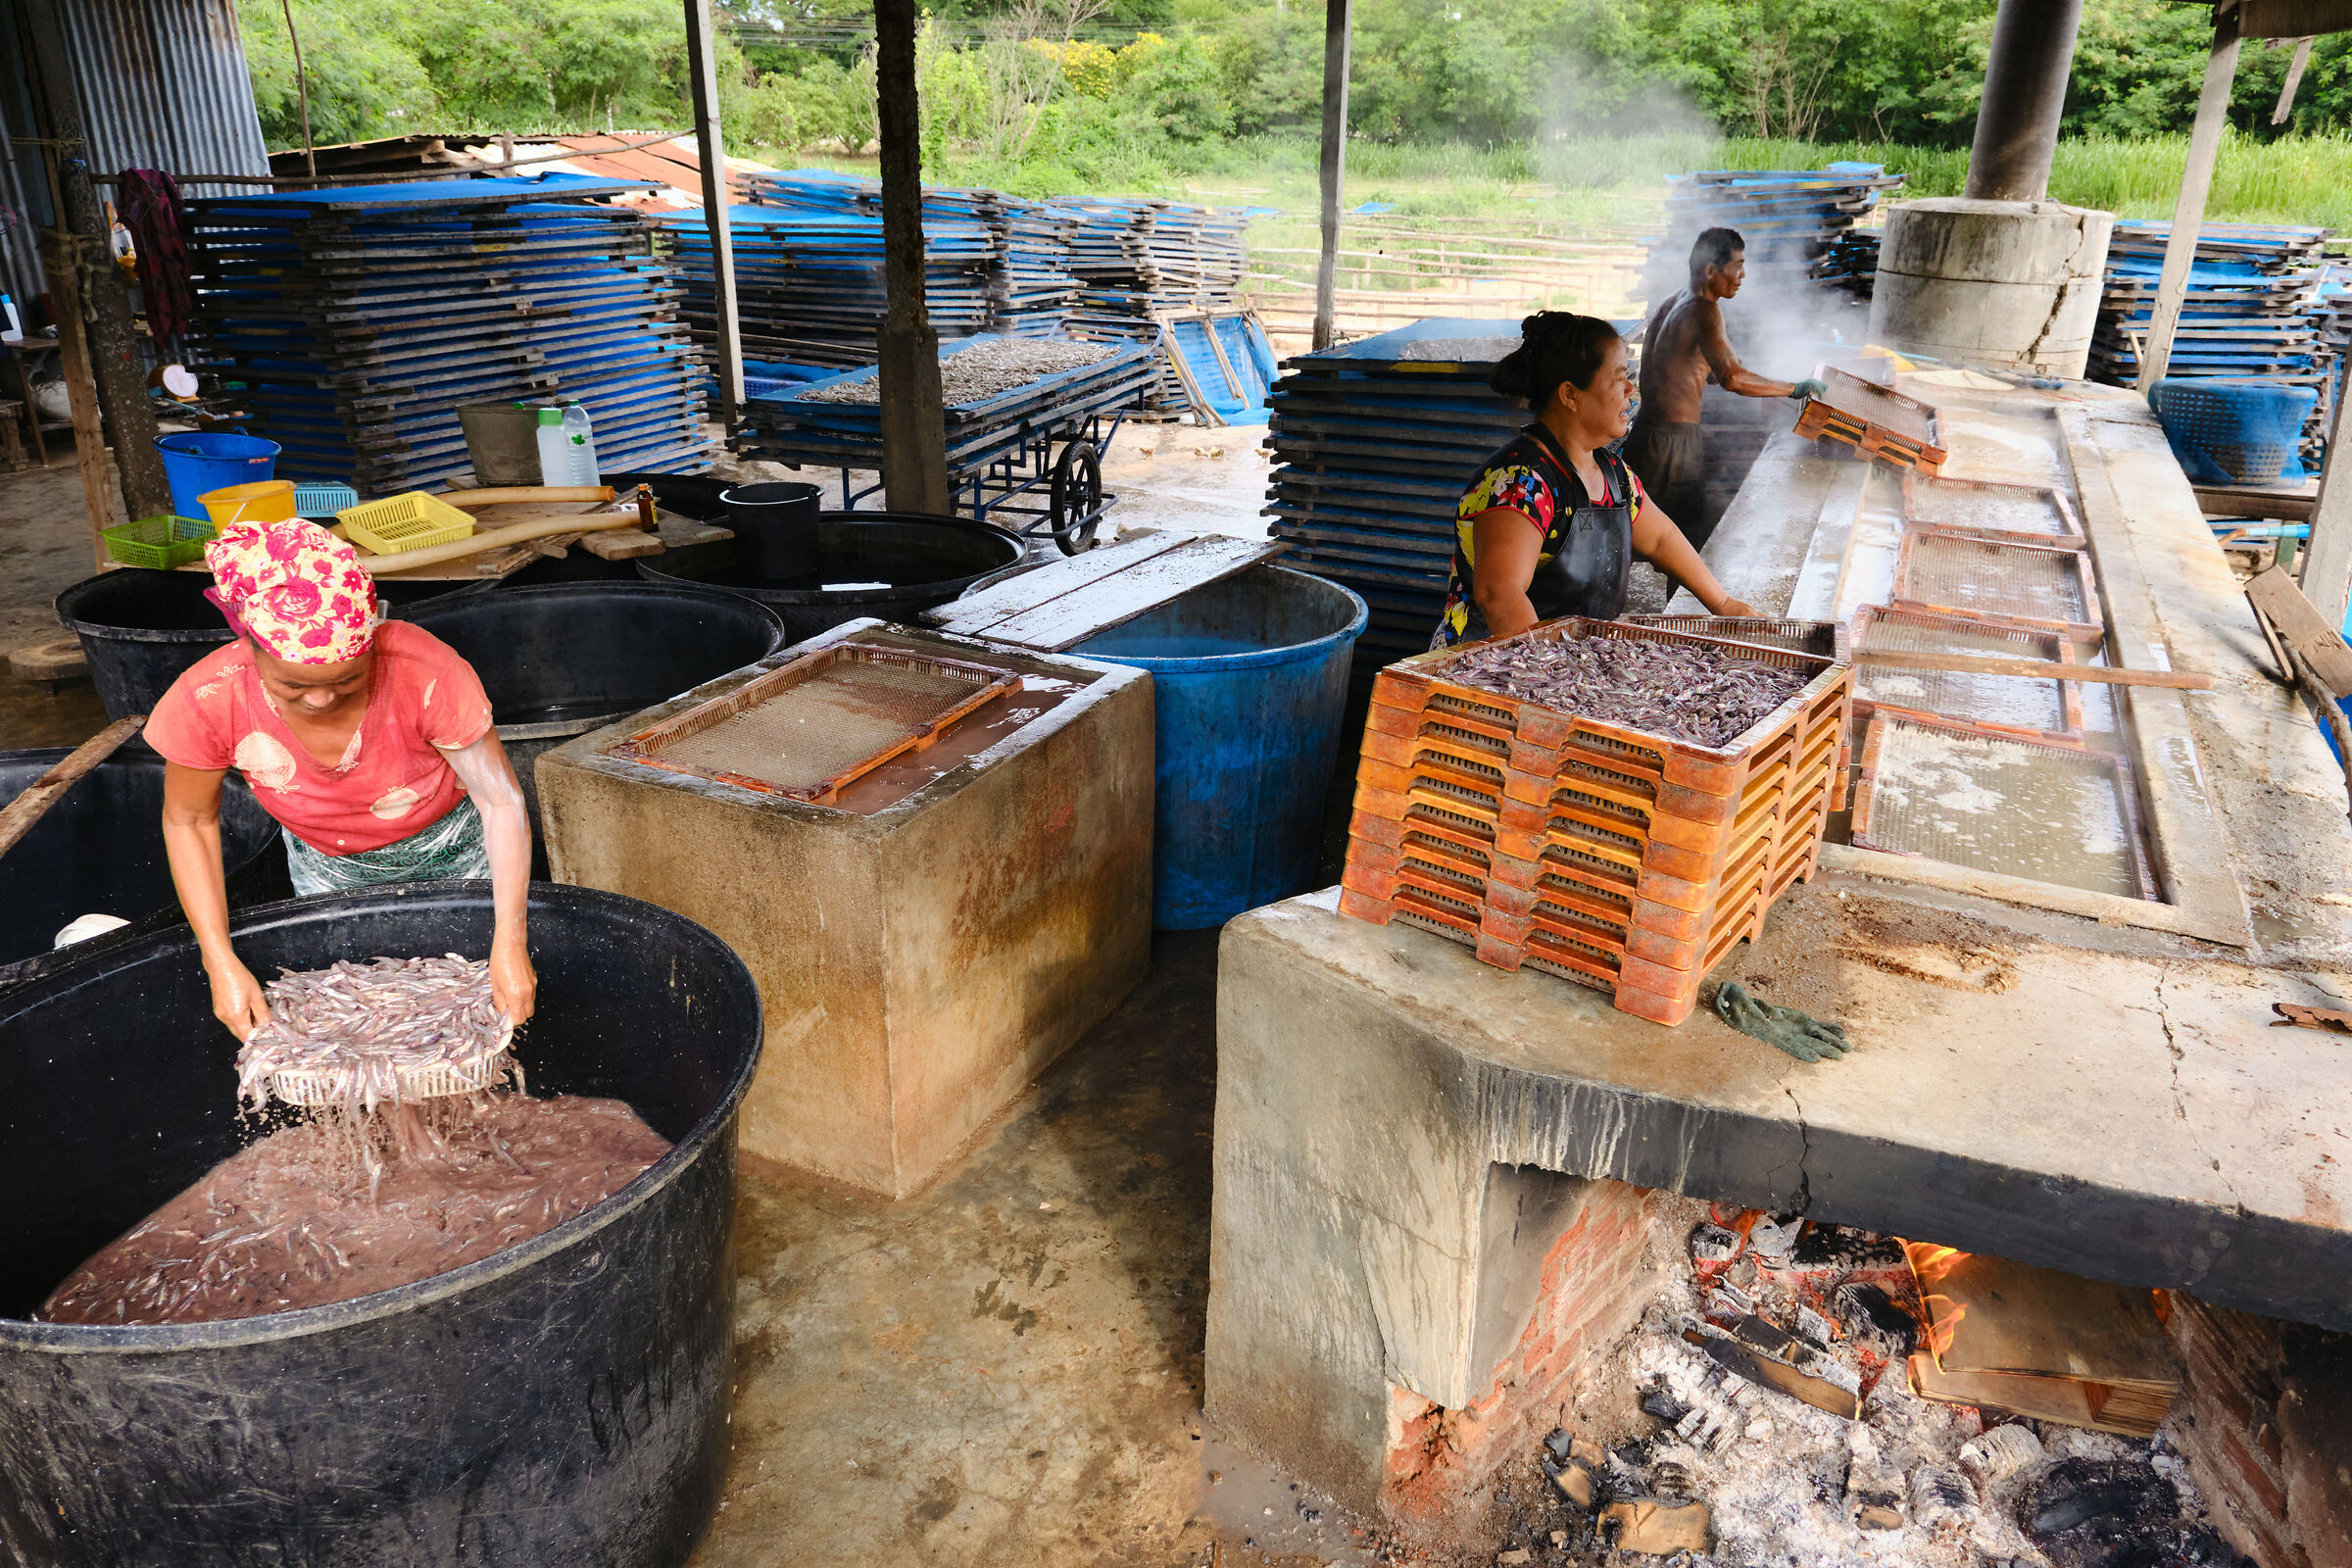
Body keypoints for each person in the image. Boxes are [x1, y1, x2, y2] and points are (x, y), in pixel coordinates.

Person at [152, 517, 536, 1040]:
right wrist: (217, 959)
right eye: (292, 686)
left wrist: (510, 941)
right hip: (325, 870)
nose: (320, 699)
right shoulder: (210, 698)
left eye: (348, 680)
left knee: (473, 1014)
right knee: (356, 1020)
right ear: (250, 646)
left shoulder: (424, 669)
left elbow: (500, 801)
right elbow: (190, 821)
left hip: (458, 856)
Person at [1432, 311, 1756, 648]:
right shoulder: (1519, 484)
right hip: (1493, 663)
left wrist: (1724, 605)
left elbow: (1662, 539)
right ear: (1570, 395)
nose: (1630, 388)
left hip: (1571, 658)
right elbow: (1500, 595)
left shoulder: (1615, 476)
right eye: (1618, 379)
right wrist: (1554, 672)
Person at [1624, 226, 1826, 553]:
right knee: (1682, 542)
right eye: (1738, 266)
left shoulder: (1672, 301)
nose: (1743, 275)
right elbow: (1732, 378)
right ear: (1710, 271)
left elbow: (1684, 366)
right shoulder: (1705, 310)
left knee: (1635, 532)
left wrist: (1720, 369)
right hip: (1673, 447)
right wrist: (1794, 388)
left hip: (1644, 436)